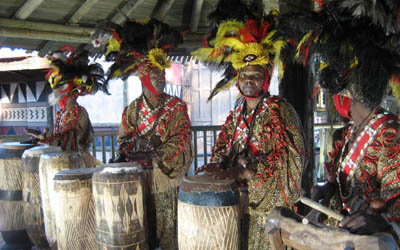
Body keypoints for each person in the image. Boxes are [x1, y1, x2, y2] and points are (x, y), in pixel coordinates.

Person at [277, 0, 400, 239]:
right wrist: (329, 187)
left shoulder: (391, 136)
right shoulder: (348, 133)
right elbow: (343, 184)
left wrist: (379, 221)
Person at [192, 2, 307, 249]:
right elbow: (223, 147)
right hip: (238, 202)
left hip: (268, 208)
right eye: (243, 76)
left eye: (255, 75)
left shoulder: (280, 110)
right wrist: (221, 165)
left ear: (265, 78)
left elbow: (292, 159)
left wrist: (250, 172)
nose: (248, 81)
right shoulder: (237, 113)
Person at [92, 19, 192, 250]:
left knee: (168, 224)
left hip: (165, 176)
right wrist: (129, 150)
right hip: (138, 178)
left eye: (162, 75)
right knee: (141, 224)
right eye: (155, 75)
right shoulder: (132, 109)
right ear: (144, 77)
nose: (160, 79)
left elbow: (181, 137)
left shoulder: (177, 106)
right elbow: (124, 138)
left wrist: (155, 153)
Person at [25, 47, 107, 167]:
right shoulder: (61, 114)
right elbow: (59, 139)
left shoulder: (79, 113)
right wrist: (44, 138)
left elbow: (70, 140)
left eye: (59, 92)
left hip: (79, 163)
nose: (57, 96)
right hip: (63, 162)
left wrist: (45, 137)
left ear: (68, 94)